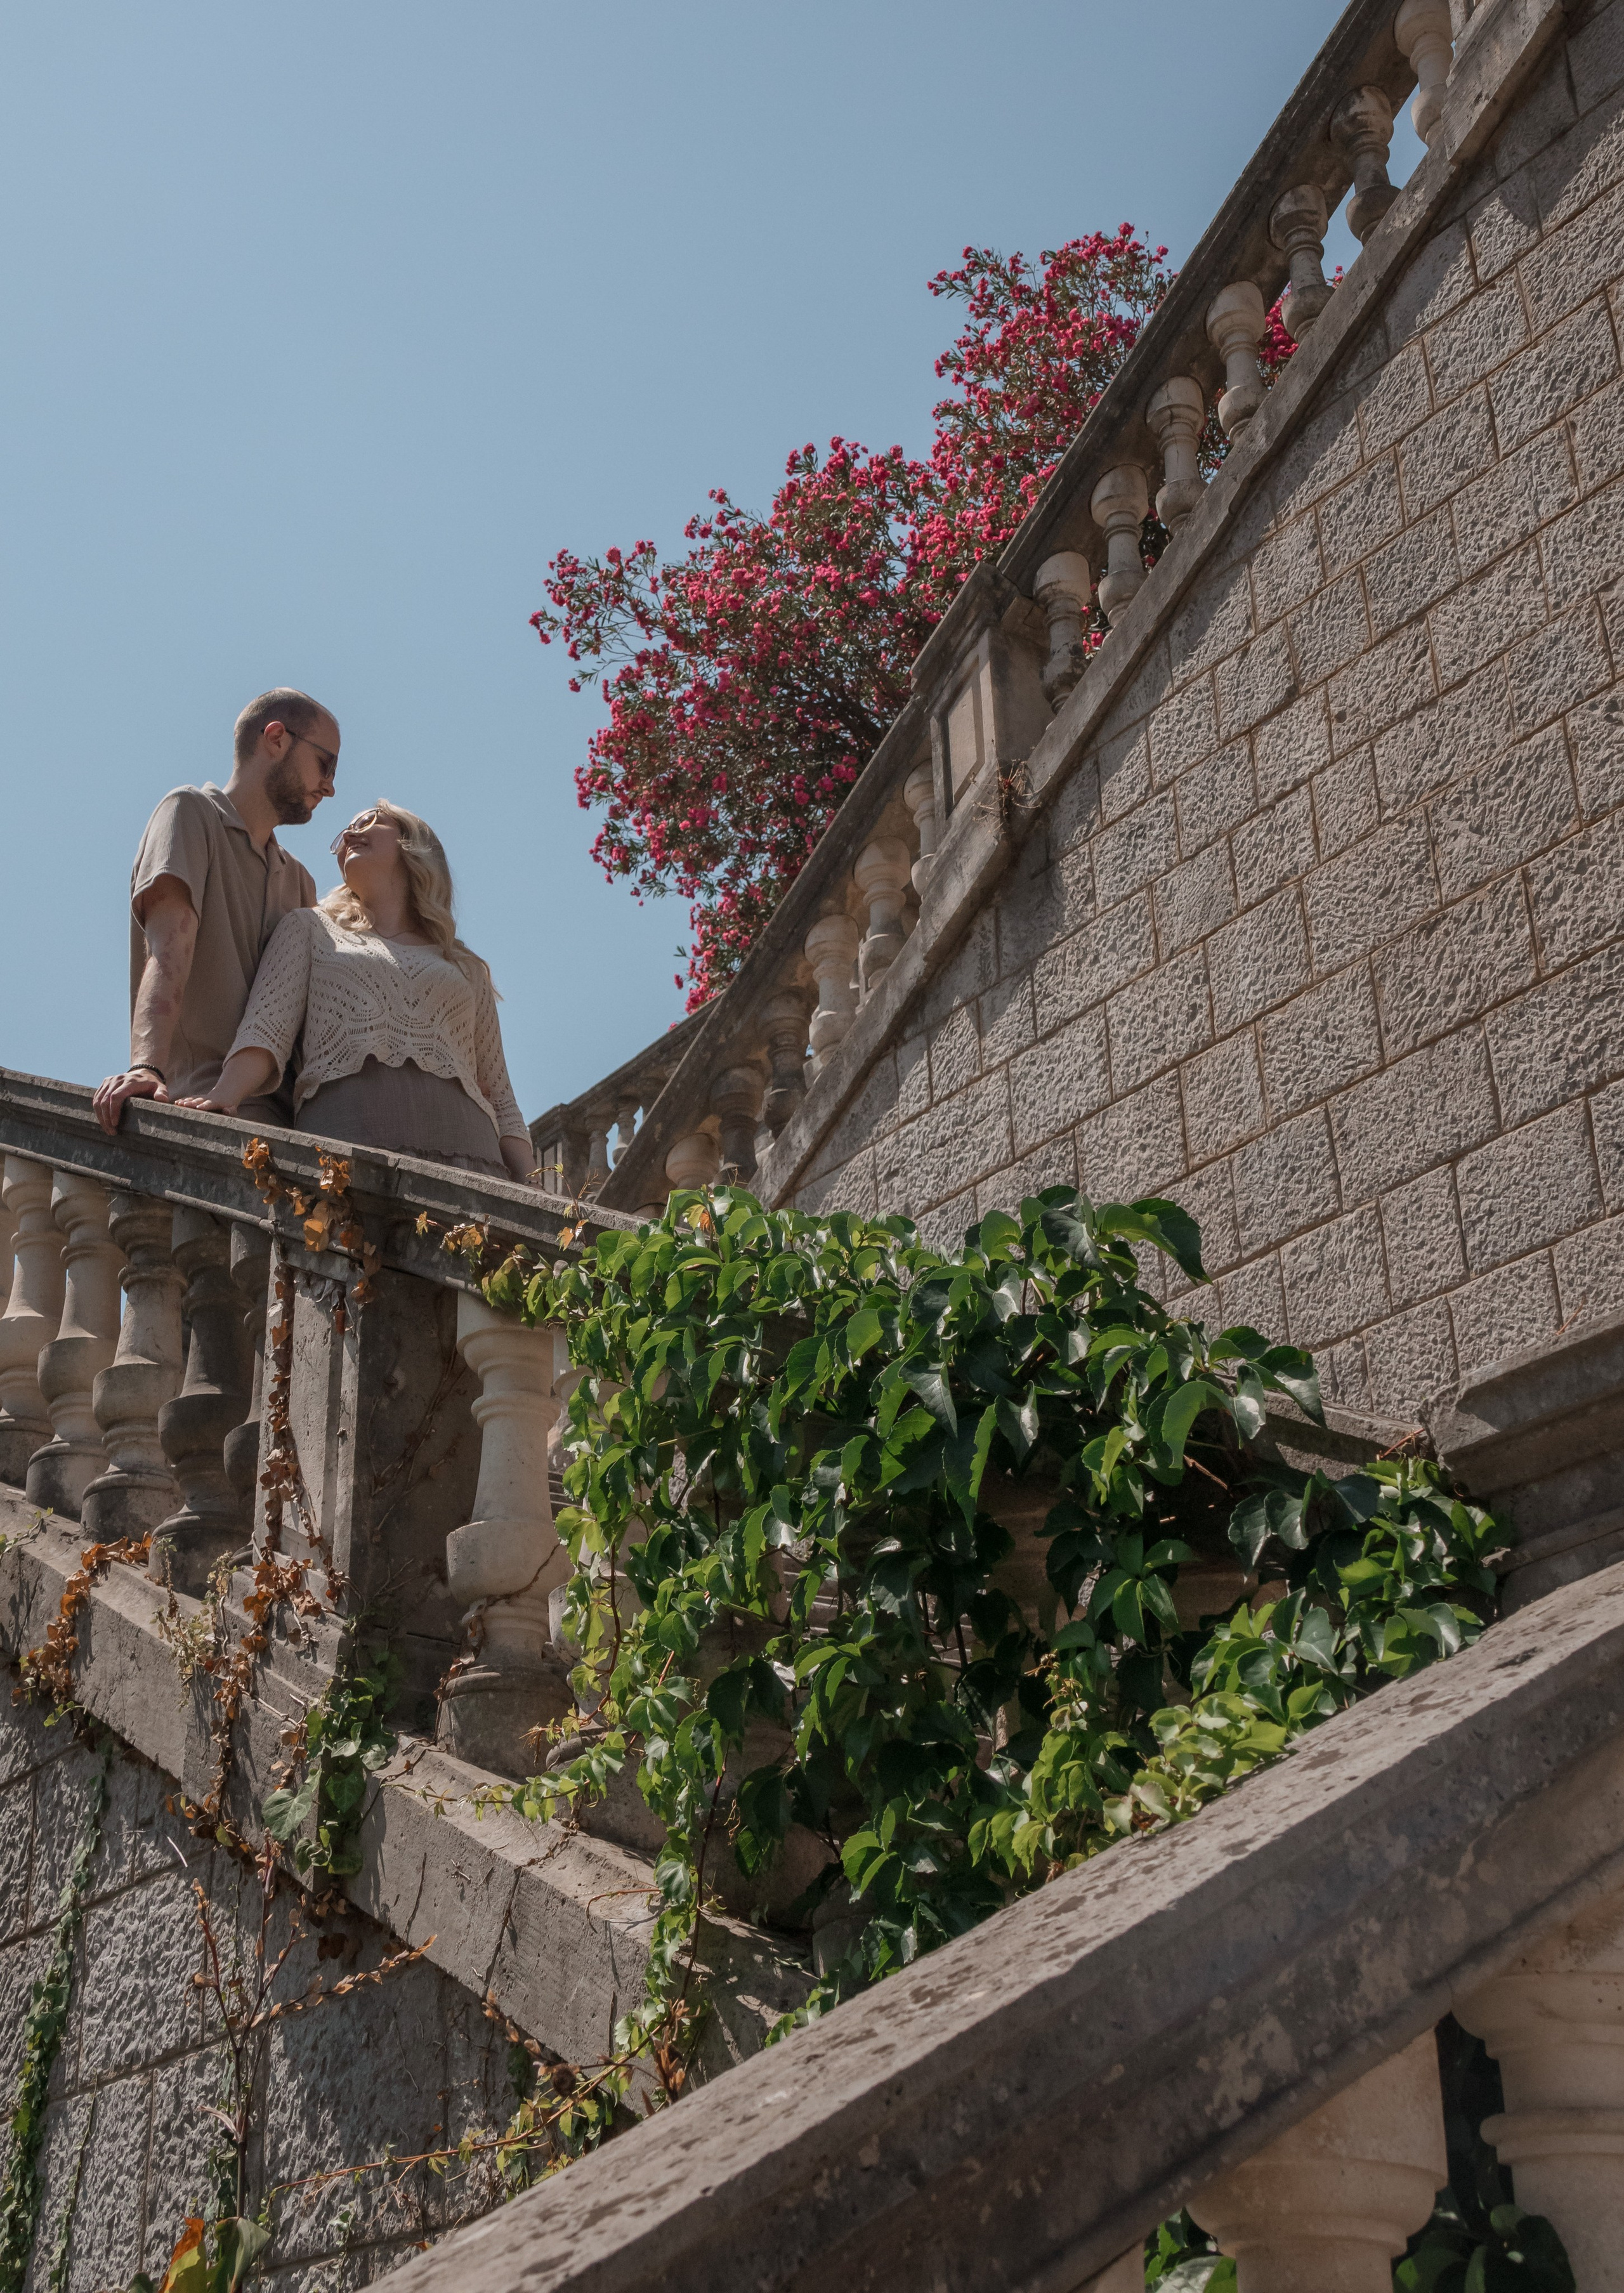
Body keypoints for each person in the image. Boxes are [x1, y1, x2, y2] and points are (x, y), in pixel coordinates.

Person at [177, 800, 539, 1184]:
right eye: (344, 833)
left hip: (472, 1163)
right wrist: (224, 1095)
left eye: (368, 822)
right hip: (344, 1155)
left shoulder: (466, 968)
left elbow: (500, 1095)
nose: (349, 835)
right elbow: (266, 1030)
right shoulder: (309, 929)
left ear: (412, 841)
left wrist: (536, 1187)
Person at [94, 688, 341, 1133]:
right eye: (327, 763)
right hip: (197, 1106)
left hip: (290, 1128)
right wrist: (148, 1068)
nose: (330, 786)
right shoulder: (190, 812)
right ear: (277, 738)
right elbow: (168, 951)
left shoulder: (300, 881)